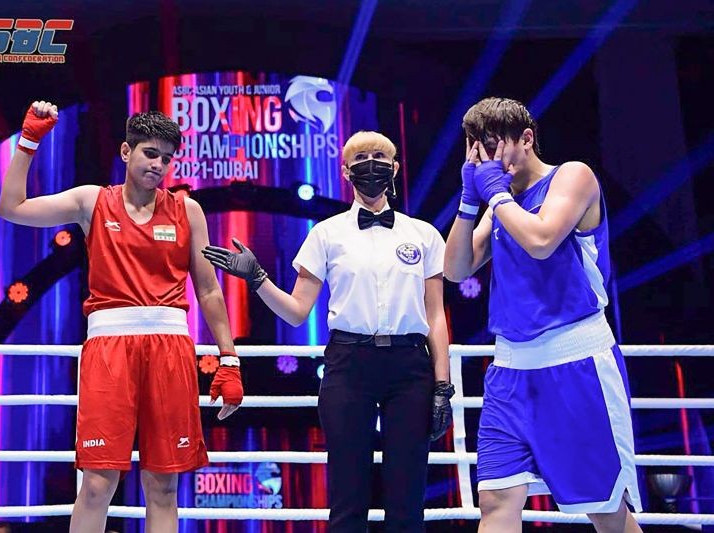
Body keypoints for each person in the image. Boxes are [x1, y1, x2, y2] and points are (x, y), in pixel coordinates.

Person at [0, 101, 243, 533]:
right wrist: (29, 141)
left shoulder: (187, 211)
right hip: (109, 349)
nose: (159, 165)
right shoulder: (92, 201)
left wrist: (229, 358)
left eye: (167, 158)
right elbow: (12, 208)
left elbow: (207, 288)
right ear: (126, 152)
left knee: (163, 485)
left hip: (170, 350)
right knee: (96, 483)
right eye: (151, 153)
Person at [202, 131, 453, 532]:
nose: (370, 164)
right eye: (361, 157)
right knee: (347, 497)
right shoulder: (326, 233)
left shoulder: (422, 234)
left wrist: (443, 385)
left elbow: (435, 315)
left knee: (407, 500)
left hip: (410, 368)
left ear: (395, 168)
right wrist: (258, 278)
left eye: (379, 156)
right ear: (345, 171)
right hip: (348, 365)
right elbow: (297, 312)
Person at [444, 97, 643, 533]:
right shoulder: (501, 201)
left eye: (495, 146)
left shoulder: (572, 177)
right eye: (477, 150)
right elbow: (456, 268)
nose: (487, 161)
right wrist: (467, 201)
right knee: (496, 501)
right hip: (510, 370)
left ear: (527, 138)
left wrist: (495, 194)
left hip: (575, 364)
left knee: (606, 511)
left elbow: (542, 240)